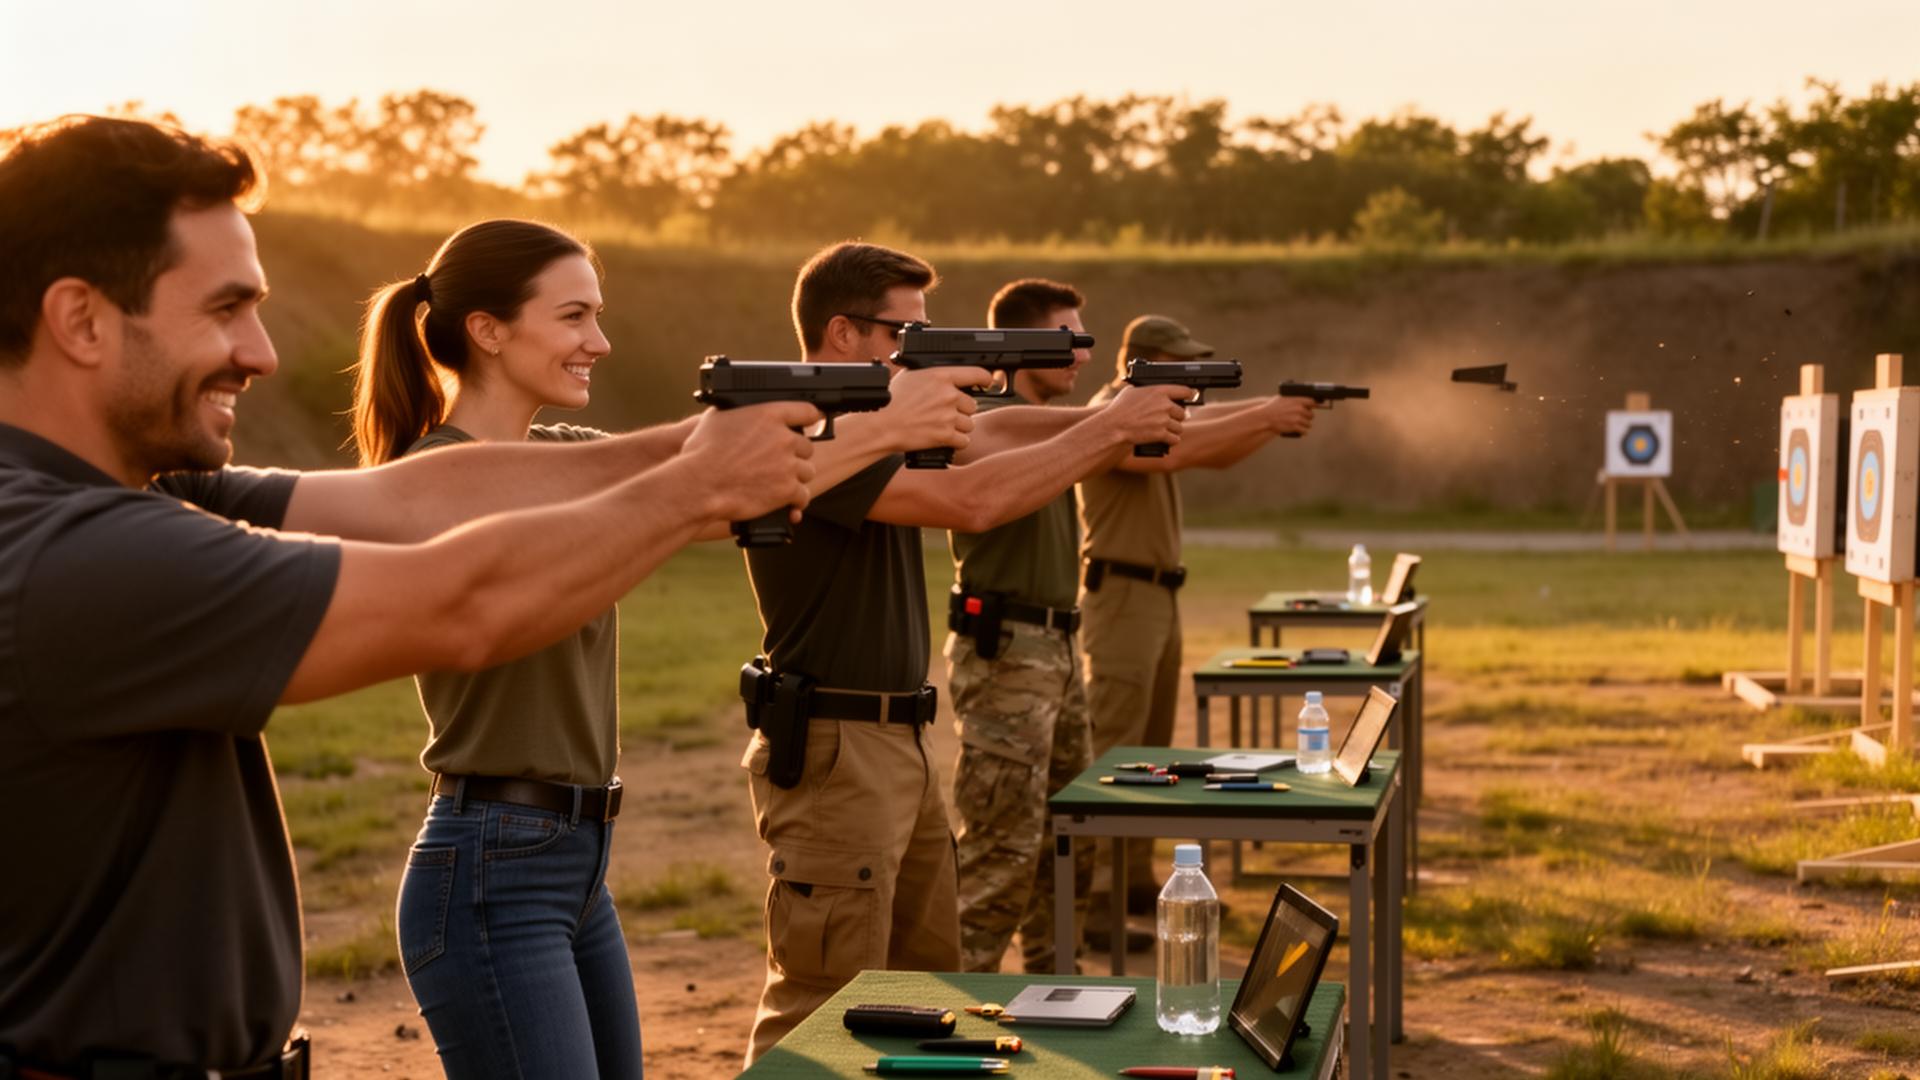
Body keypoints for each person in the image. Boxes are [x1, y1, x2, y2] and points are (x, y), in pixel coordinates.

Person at [0, 115, 816, 1078]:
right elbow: (461, 602)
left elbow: (417, 495)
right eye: (225, 309)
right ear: (81, 320)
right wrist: (696, 487)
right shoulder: (66, 549)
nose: (260, 353)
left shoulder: (134, 495)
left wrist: (714, 444)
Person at [739, 243, 1193, 1064]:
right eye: (903, 331)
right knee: (821, 1005)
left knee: (919, 997)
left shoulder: (871, 429)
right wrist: (1113, 425)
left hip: (895, 743)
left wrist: (1101, 424)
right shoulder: (813, 433)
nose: (921, 348)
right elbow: (973, 501)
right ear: (842, 333)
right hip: (841, 752)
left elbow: (1003, 432)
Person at [949, 287, 1317, 972]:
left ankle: (1055, 978)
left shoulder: (1060, 421)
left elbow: (1184, 445)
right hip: (1013, 644)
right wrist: (1261, 411)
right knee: (1004, 847)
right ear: (1020, 345)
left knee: (1069, 828)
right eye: (1068, 338)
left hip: (1054, 638)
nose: (1084, 351)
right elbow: (1161, 448)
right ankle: (961, 995)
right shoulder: (1002, 419)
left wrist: (1263, 415)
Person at [1077, 314, 1314, 921]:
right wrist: (1266, 414)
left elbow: (1214, 451)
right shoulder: (1111, 416)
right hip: (1122, 594)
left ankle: (1132, 877)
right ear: (1148, 365)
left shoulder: (1153, 418)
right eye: (1181, 365)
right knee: (1115, 745)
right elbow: (1177, 451)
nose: (1194, 379)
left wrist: (1273, 413)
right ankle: (1099, 895)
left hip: (1154, 596)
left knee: (1149, 750)